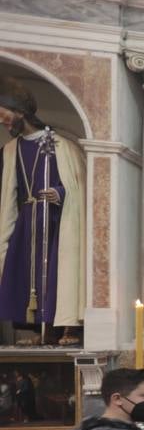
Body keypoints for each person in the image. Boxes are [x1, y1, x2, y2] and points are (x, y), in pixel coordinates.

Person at [0, 76, 85, 346]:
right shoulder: (10, 150)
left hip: (57, 220)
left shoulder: (61, 145)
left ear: (20, 113)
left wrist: (59, 193)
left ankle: (65, 326)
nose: (2, 122)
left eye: (4, 115)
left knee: (58, 270)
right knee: (24, 270)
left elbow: (78, 185)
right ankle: (39, 329)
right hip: (27, 219)